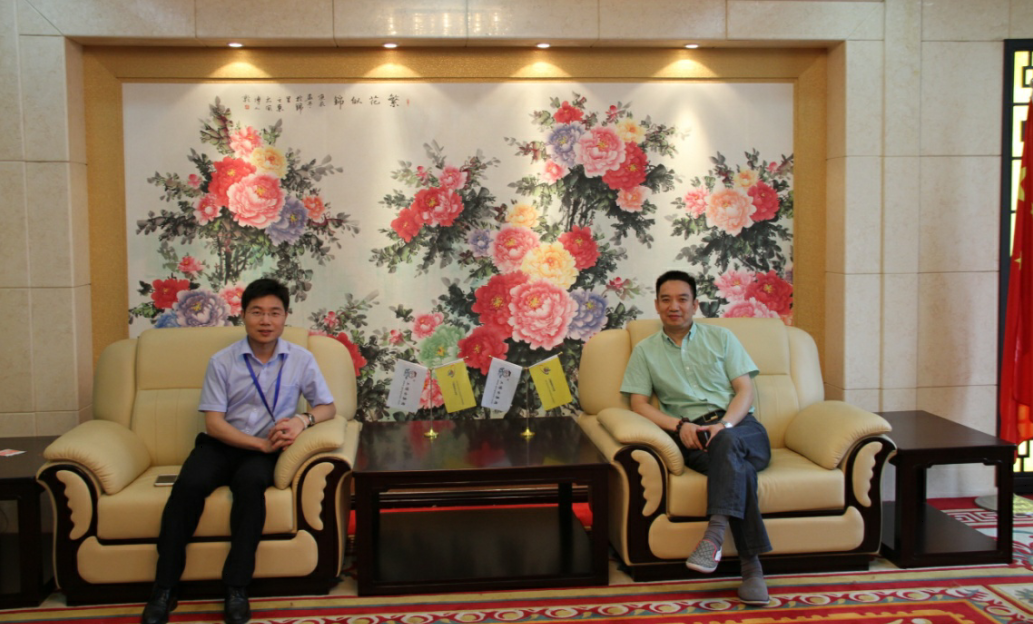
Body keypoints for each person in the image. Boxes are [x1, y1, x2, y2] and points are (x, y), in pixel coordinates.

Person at [141, 278, 337, 624]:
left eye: (274, 313)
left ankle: (236, 588)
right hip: (222, 445)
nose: (266, 321)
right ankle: (164, 589)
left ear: (285, 317)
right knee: (187, 487)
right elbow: (214, 424)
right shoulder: (223, 361)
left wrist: (302, 420)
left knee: (250, 487)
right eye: (257, 312)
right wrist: (259, 443)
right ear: (243, 315)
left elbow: (328, 407)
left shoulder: (300, 359)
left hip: (264, 453)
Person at [619, 270, 771, 606]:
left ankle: (714, 536)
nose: (674, 306)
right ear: (657, 305)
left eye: (682, 299)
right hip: (693, 437)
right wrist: (679, 426)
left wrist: (725, 425)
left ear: (695, 304)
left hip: (742, 429)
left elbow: (745, 390)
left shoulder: (722, 338)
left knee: (727, 442)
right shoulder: (645, 351)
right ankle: (752, 570)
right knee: (740, 471)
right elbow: (638, 404)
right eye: (666, 299)